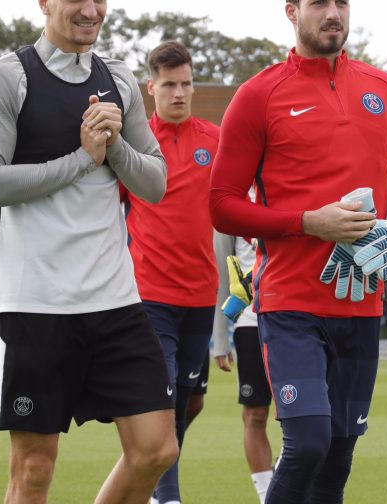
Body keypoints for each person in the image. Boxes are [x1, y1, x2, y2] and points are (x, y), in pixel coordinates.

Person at [210, 0, 387, 503]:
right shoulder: (258, 95)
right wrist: (308, 223)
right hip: (290, 304)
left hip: (362, 303)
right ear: (292, 12)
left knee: (337, 458)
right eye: (319, 2)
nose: (333, 12)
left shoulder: (384, 89)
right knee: (308, 441)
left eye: (341, 1)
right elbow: (221, 205)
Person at [0, 0, 178, 504]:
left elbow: (154, 183)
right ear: (44, 0)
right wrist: (81, 159)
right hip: (35, 304)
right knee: (34, 470)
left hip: (114, 300)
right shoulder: (7, 77)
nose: (91, 10)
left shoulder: (120, 79)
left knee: (157, 450)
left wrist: (112, 150)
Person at [121, 40, 219, 504]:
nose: (179, 93)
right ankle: (167, 494)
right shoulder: (135, 142)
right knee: (165, 398)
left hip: (201, 298)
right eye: (169, 85)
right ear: (150, 86)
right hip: (150, 296)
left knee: (189, 399)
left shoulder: (216, 141)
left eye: (186, 84)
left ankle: (151, 463)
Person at [213, 234, 274, 504]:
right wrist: (220, 340)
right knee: (256, 414)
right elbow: (222, 277)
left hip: (295, 314)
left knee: (306, 417)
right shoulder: (232, 199)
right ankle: (268, 496)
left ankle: (288, 484)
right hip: (250, 320)